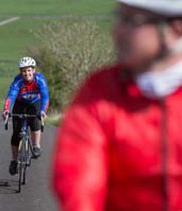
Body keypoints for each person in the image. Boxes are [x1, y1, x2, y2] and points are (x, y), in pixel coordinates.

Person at [52, 0, 182, 210]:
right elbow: (78, 178)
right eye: (119, 17)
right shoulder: (100, 91)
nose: (116, 31)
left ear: (176, 28)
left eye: (131, 21)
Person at [2, 56, 49, 175]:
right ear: (20, 72)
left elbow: (45, 97)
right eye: (24, 71)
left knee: (35, 122)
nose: (26, 73)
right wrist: (6, 110)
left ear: (33, 70)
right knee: (16, 133)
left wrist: (43, 111)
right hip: (20, 103)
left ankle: (36, 145)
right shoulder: (18, 81)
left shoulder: (40, 80)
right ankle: (14, 161)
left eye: (29, 70)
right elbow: (11, 95)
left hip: (35, 103)